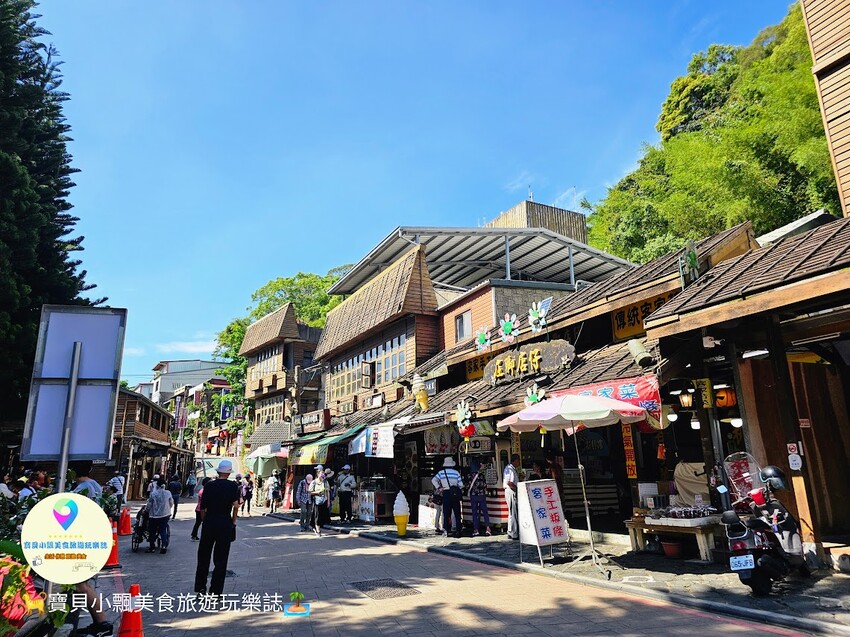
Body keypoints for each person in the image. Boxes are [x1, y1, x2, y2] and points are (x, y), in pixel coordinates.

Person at [194, 460, 241, 596]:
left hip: (209, 521)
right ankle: (216, 589)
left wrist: (204, 520)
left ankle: (201, 587)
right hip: (225, 522)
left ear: (218, 471)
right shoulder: (233, 487)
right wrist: (233, 521)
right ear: (228, 473)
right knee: (221, 557)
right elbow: (236, 506)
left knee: (203, 555)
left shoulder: (209, 486)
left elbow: (203, 507)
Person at [432, 457, 463, 538]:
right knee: (457, 513)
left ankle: (446, 530)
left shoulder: (441, 473)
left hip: (446, 493)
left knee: (446, 513)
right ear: (452, 465)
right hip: (455, 494)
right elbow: (461, 485)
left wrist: (439, 488)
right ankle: (458, 530)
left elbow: (433, 480)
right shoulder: (456, 473)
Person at [146, 477, 172, 554]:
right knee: (163, 530)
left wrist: (146, 510)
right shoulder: (168, 493)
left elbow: (149, 504)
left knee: (152, 531)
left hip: (154, 515)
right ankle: (164, 546)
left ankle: (152, 547)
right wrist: (168, 509)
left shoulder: (153, 494)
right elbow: (171, 503)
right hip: (165, 514)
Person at [468, 460, 491, 537]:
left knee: (475, 513)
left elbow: (467, 486)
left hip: (473, 496)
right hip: (482, 495)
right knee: (485, 512)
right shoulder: (482, 475)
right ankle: (487, 528)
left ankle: (476, 529)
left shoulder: (470, 476)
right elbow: (485, 485)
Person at [504, 454, 520, 540]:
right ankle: (514, 533)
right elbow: (509, 482)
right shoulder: (509, 469)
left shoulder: (512, 469)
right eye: (518, 460)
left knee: (511, 512)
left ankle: (510, 531)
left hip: (510, 491)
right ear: (515, 461)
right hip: (511, 491)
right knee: (513, 512)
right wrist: (517, 488)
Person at [307, 471, 328, 535]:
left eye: (323, 474)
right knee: (317, 515)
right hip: (317, 501)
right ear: (318, 474)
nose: (322, 475)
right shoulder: (314, 482)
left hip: (324, 500)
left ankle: (314, 525)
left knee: (322, 515)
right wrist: (317, 492)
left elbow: (327, 492)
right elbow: (310, 492)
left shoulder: (325, 482)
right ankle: (318, 530)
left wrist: (328, 501)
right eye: (321, 474)